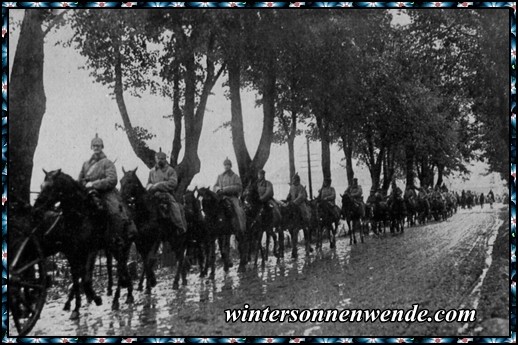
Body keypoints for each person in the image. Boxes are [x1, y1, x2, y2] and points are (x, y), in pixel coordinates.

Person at [78, 134, 137, 240]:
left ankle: (118, 236)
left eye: (98, 146)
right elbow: (79, 180)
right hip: (88, 192)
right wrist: (84, 184)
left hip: (105, 192)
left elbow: (112, 179)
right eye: (94, 146)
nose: (96, 148)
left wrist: (94, 184)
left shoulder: (107, 163)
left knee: (115, 210)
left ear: (102, 147)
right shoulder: (85, 164)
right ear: (91, 147)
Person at [146, 149, 187, 234]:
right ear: (155, 159)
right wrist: (150, 187)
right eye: (158, 158)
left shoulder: (170, 170)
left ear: (165, 159)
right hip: (154, 194)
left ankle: (180, 226)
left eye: (162, 158)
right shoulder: (152, 171)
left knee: (174, 207)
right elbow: (148, 183)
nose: (160, 160)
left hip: (166, 194)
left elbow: (173, 183)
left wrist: (158, 185)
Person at [213, 157, 246, 233]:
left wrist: (225, 189)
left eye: (228, 165)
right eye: (225, 165)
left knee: (239, 210)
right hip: (221, 197)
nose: (226, 166)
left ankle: (241, 229)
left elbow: (239, 187)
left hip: (232, 197)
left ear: (231, 166)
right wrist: (218, 190)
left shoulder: (235, 176)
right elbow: (215, 186)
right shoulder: (220, 176)